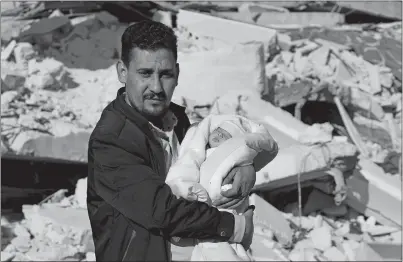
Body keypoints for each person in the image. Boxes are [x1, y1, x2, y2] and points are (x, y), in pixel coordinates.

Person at [87, 20, 257, 261]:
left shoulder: (178, 122)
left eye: (165, 74)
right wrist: (236, 227)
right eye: (145, 73)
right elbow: (161, 210)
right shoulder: (112, 139)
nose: (156, 87)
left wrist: (244, 165)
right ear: (122, 72)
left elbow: (213, 162)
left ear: (177, 74)